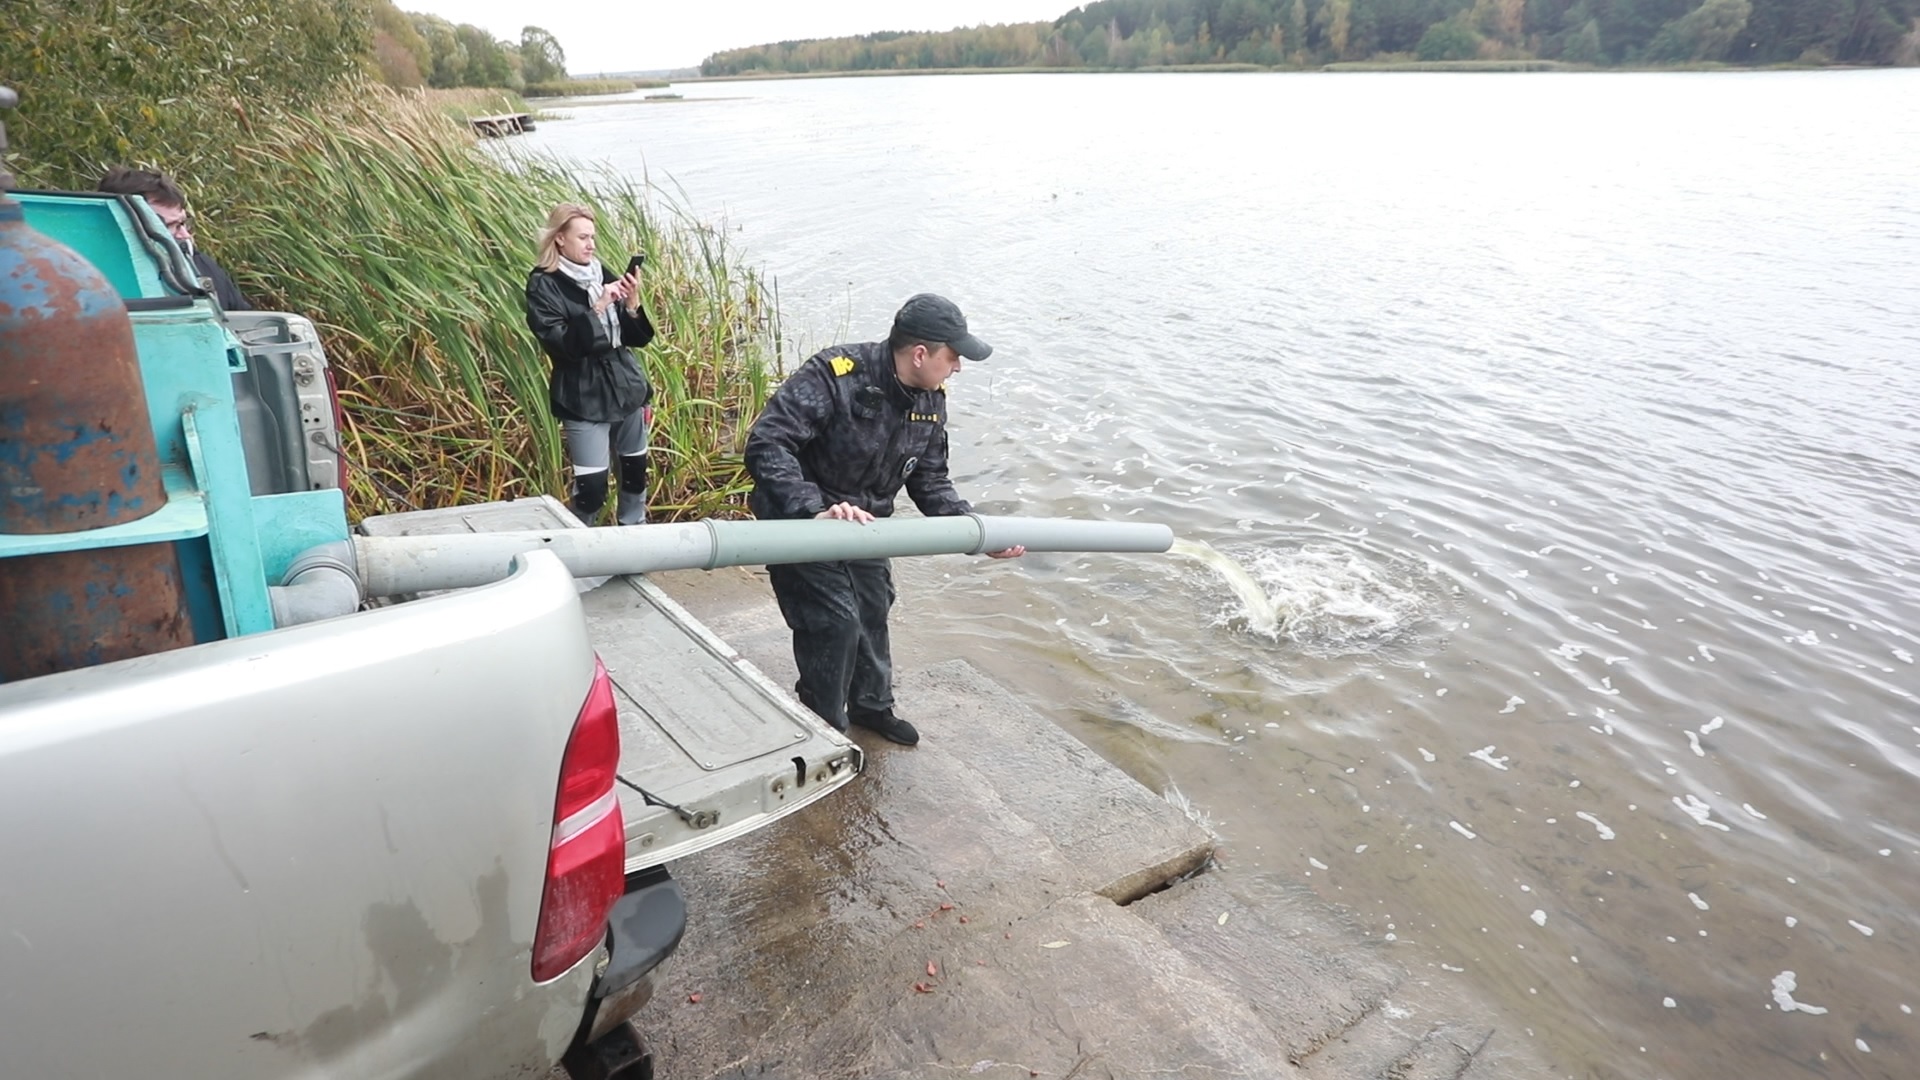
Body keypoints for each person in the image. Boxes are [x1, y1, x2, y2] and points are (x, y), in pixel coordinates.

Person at [744, 294, 1024, 746]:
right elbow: (768, 443)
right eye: (952, 357)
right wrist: (813, 507)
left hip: (866, 526)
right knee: (834, 621)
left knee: (874, 607)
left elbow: (930, 481)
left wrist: (976, 533)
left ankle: (871, 706)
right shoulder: (835, 375)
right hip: (800, 521)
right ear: (920, 354)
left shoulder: (930, 400)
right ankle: (823, 726)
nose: (958, 368)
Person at [524, 203, 655, 526]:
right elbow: (563, 345)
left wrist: (632, 304)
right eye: (582, 237)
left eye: (592, 237)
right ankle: (579, 558)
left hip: (625, 387)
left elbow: (635, 339)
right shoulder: (544, 284)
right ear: (559, 239)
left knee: (635, 475)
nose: (591, 245)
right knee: (591, 489)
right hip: (582, 394)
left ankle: (633, 546)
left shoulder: (600, 271)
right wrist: (598, 307)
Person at [95, 167, 250, 311]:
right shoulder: (92, 277)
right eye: (170, 226)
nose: (185, 235)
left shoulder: (201, 265)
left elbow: (243, 321)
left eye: (182, 223)